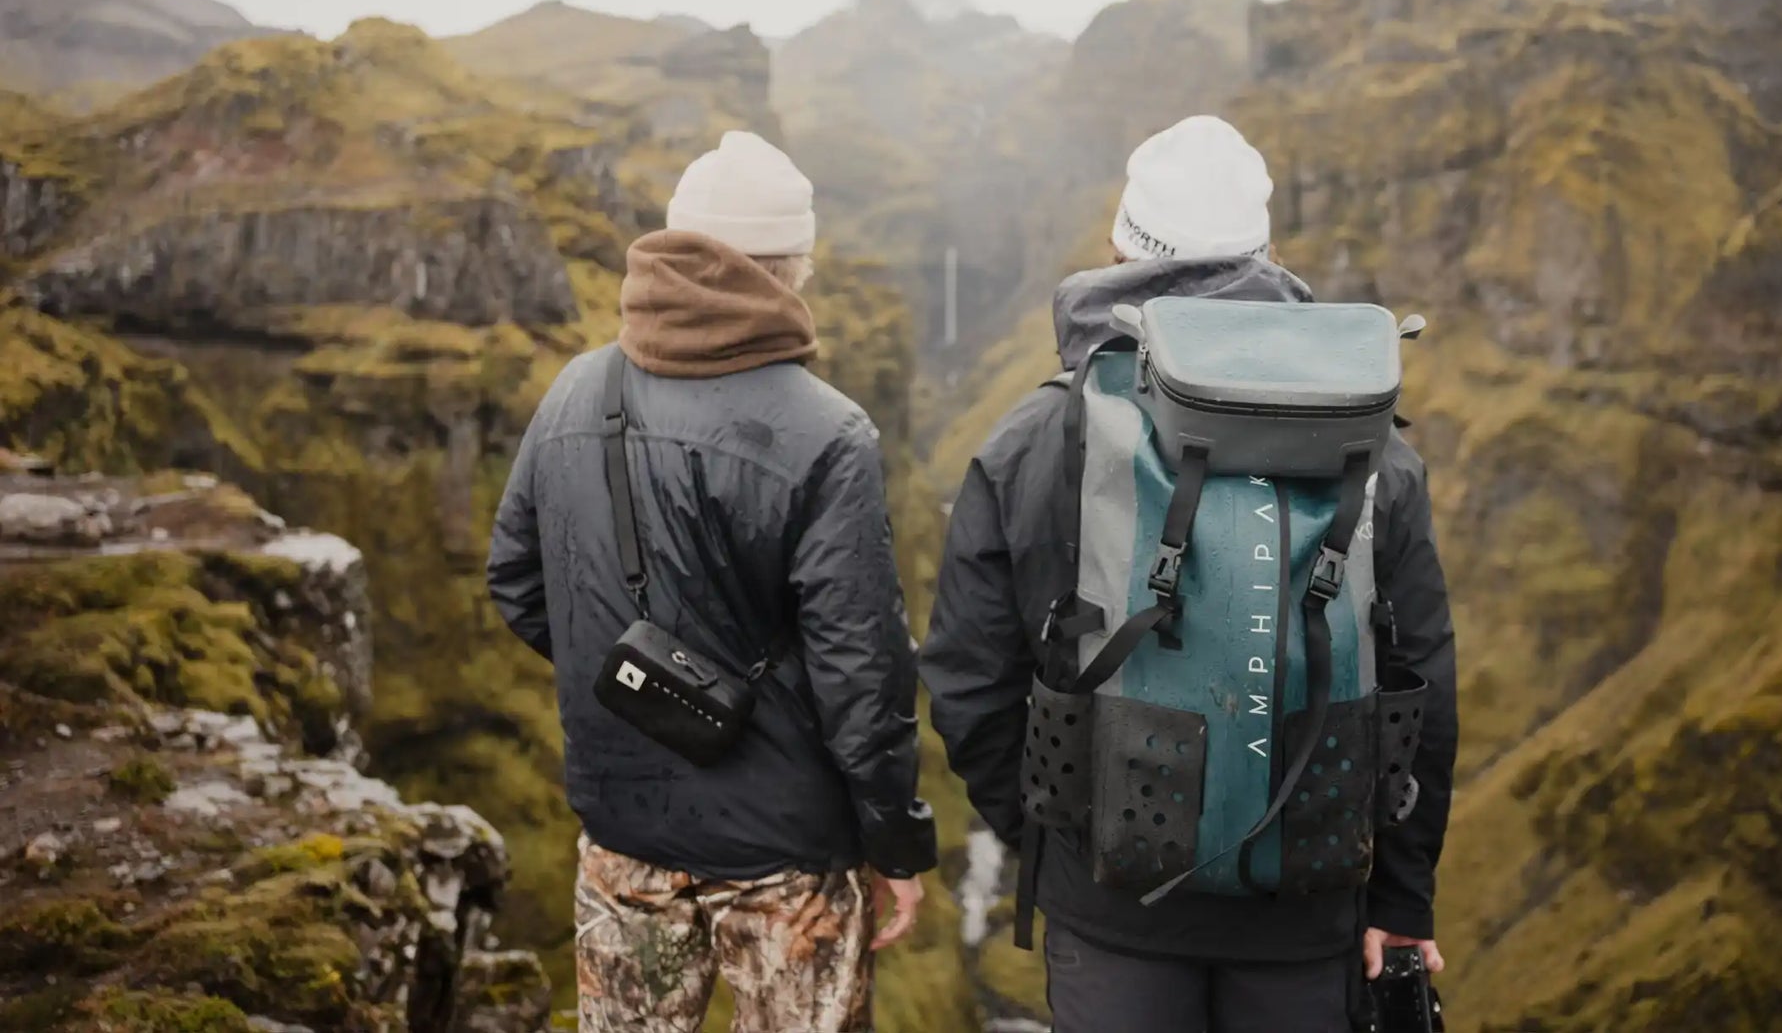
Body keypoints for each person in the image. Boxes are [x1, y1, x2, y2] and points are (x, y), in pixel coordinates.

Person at [919, 115, 1457, 1033]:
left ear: (1122, 248)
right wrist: (1401, 901)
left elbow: (969, 680)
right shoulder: (1377, 452)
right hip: (1311, 902)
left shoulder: (1036, 439)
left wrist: (1055, 838)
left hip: (1110, 914)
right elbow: (1422, 687)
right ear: (1268, 253)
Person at [489, 130, 936, 1033]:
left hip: (622, 839)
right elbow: (861, 671)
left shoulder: (574, 392)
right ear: (786, 270)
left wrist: (635, 681)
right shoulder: (828, 433)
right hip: (788, 860)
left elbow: (518, 583)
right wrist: (896, 840)